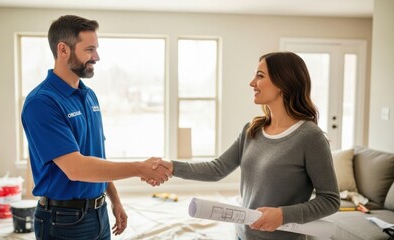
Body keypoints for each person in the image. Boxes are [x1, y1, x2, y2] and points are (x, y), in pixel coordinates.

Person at [153, 52, 340, 240]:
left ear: (283, 82)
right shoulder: (252, 130)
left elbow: (330, 200)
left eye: (260, 76)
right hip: (243, 234)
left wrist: (283, 215)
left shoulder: (310, 137)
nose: (252, 83)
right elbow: (217, 169)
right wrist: (172, 167)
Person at [21, 15, 171, 240]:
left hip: (98, 214)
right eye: (89, 49)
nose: (97, 57)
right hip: (63, 220)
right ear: (63, 50)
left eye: (96, 49)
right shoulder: (42, 102)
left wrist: (114, 200)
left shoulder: (89, 96)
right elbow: (77, 168)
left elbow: (96, 157)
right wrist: (140, 168)